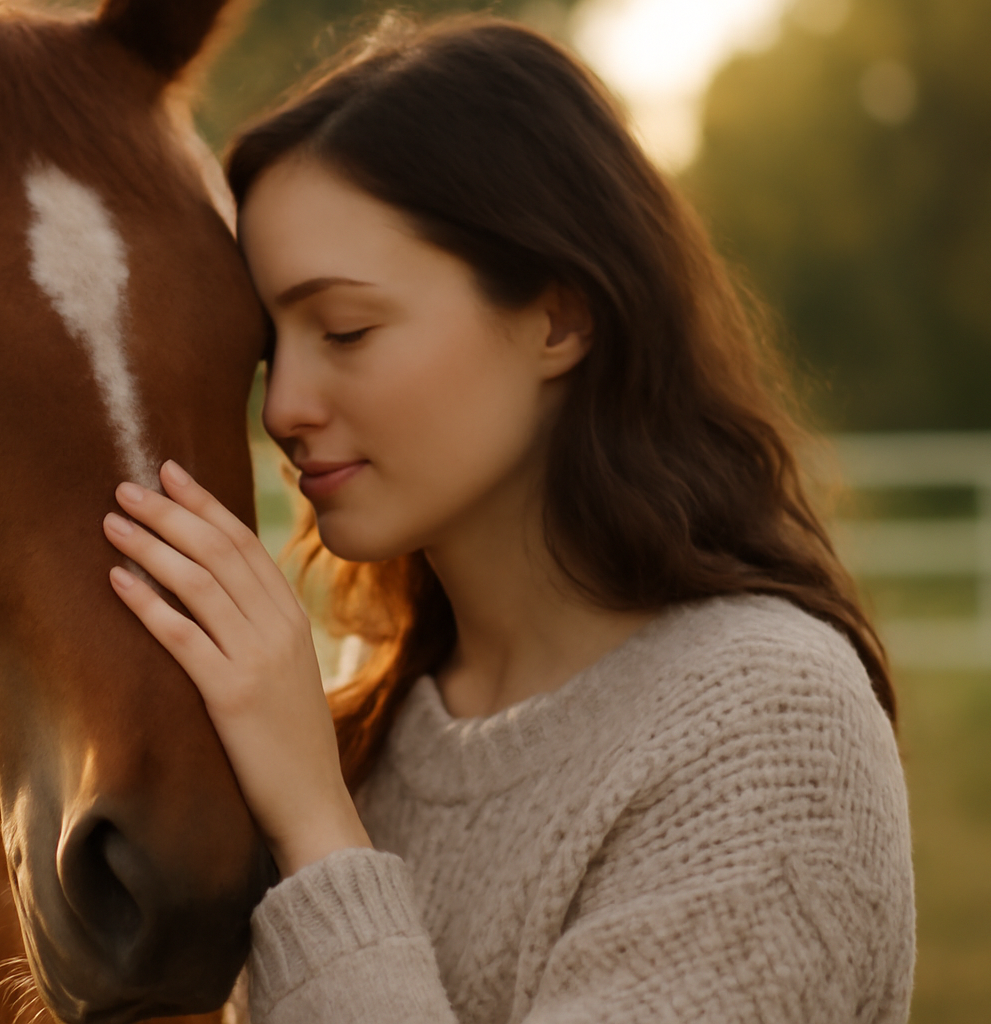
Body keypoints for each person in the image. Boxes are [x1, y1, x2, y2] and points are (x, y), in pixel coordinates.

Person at [100, 15, 914, 1024]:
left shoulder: (768, 731)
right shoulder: (378, 719)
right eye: (275, 348)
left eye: (345, 328)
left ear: (559, 317)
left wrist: (315, 823)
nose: (282, 408)